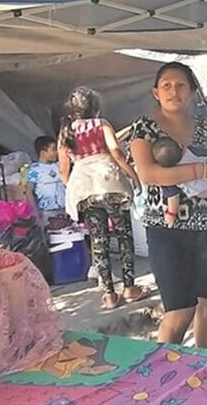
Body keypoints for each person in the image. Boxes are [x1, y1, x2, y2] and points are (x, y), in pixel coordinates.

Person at [129, 62, 207, 349]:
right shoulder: (144, 128)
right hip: (166, 230)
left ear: (191, 92)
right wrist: (202, 170)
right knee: (179, 311)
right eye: (166, 85)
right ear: (155, 92)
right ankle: (163, 376)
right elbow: (148, 174)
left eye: (181, 85)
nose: (173, 91)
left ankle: (204, 371)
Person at [58, 87, 150, 310]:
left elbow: (63, 170)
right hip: (109, 181)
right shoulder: (102, 125)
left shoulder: (65, 132)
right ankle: (129, 288)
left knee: (98, 240)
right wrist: (133, 174)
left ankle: (109, 295)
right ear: (95, 108)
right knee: (124, 235)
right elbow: (116, 153)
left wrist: (74, 187)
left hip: (84, 187)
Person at [151, 136, 207, 227]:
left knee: (201, 193)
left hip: (202, 191)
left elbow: (173, 197)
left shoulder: (170, 175)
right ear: (180, 145)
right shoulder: (192, 150)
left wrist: (171, 215)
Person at [27, 136, 67, 218]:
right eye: (53, 150)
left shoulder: (58, 166)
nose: (56, 152)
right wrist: (35, 212)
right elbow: (28, 191)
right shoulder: (34, 169)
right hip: (46, 213)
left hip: (64, 210)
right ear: (43, 153)